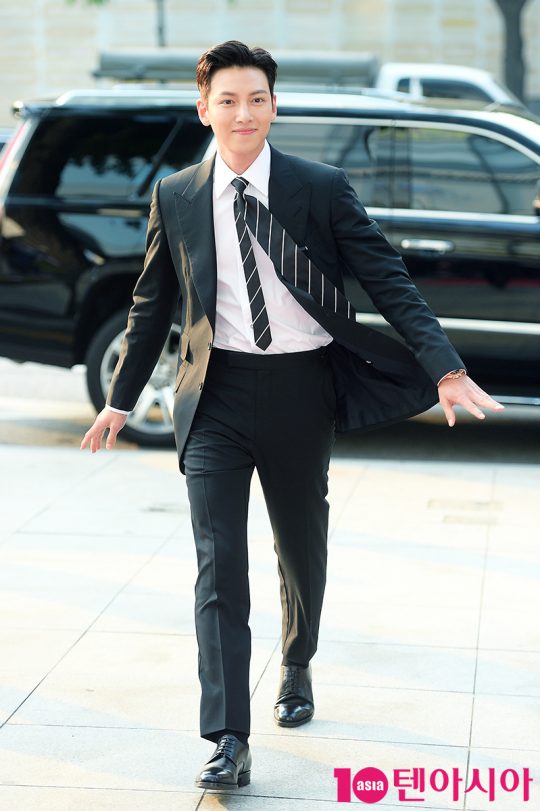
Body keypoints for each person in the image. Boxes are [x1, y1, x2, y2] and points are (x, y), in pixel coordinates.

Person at [80, 40, 503, 790]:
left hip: (302, 390)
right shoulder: (177, 195)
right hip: (214, 395)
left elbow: (389, 280)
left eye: (257, 99)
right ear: (204, 109)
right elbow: (151, 306)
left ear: (274, 106)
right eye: (228, 100)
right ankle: (227, 736)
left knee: (300, 547)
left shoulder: (320, 187)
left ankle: (297, 659)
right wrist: (120, 398)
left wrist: (445, 365)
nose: (243, 113)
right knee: (218, 564)